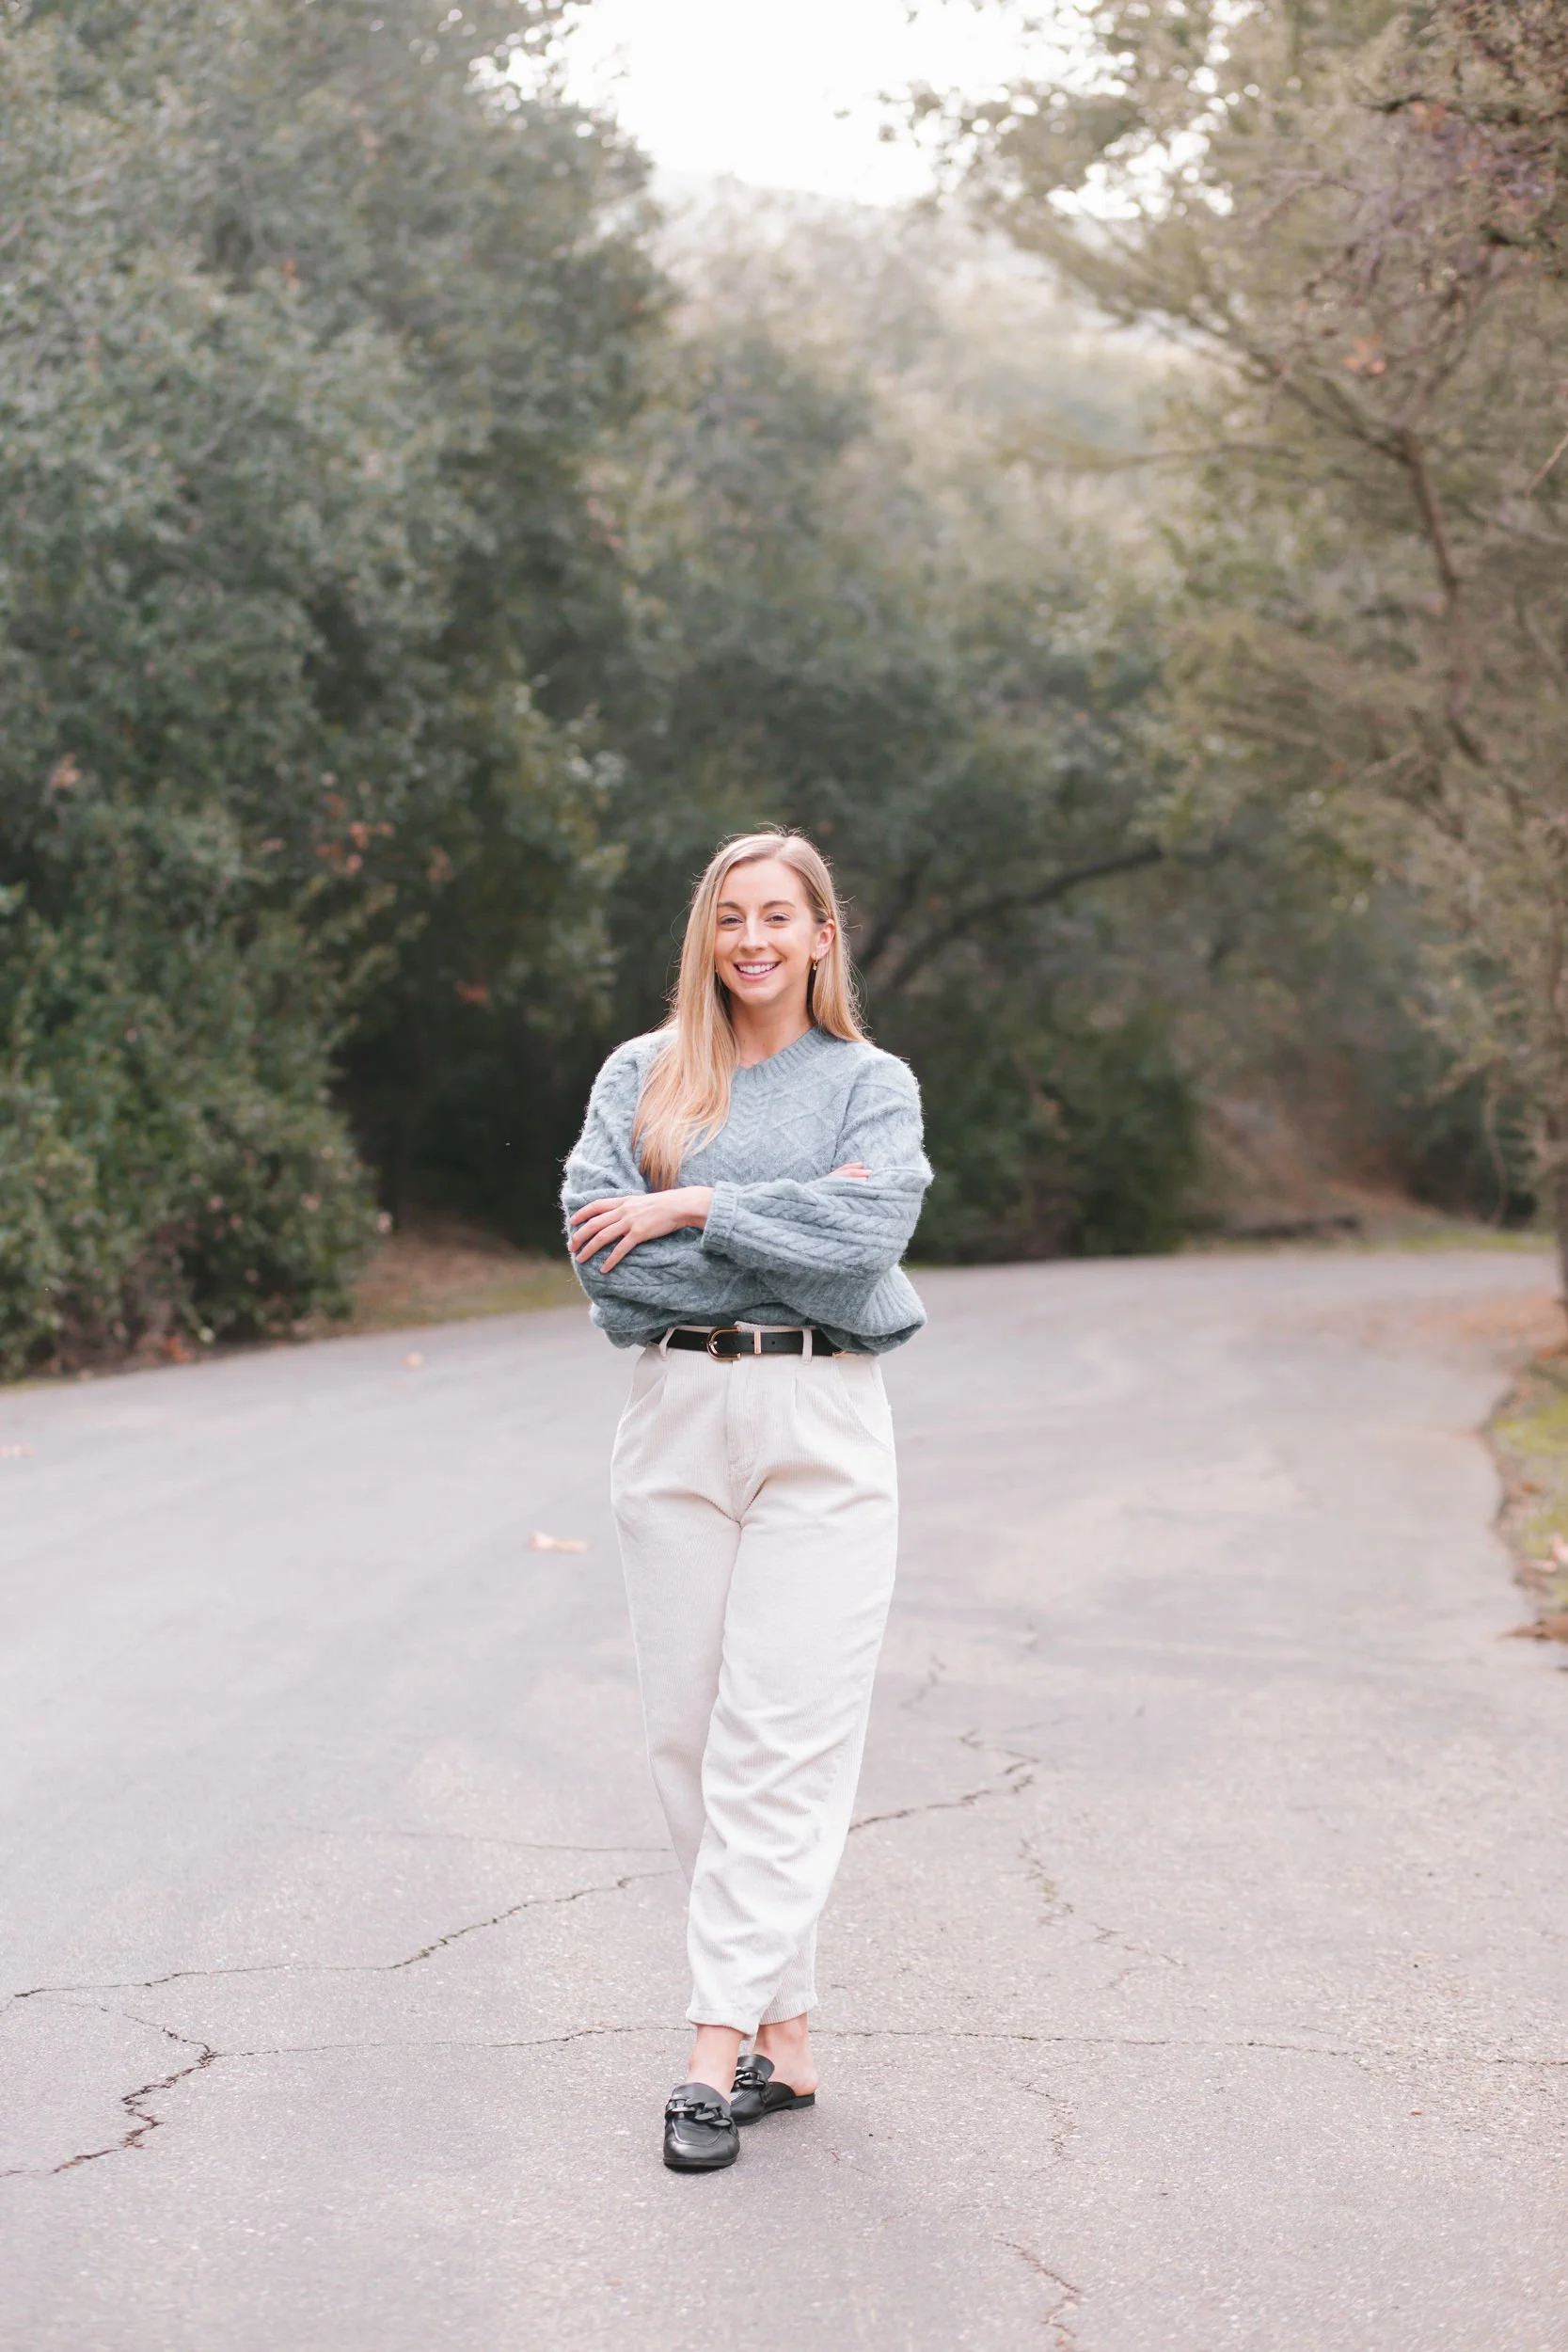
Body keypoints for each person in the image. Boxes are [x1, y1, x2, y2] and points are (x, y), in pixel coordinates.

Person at [562, 828, 931, 2173]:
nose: (753, 939)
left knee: (779, 1740)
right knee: (688, 1744)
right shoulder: (642, 1075)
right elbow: (603, 1264)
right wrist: (780, 1236)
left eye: (779, 915)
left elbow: (872, 1240)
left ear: (822, 935)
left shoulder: (867, 1085)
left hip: (820, 1429)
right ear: (706, 938)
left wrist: (695, 1205)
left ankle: (710, 2053)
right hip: (673, 1423)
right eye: (731, 918)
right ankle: (792, 2037)